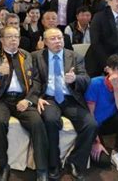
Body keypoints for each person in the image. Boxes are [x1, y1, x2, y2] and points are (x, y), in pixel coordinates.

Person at [0, 26, 48, 181]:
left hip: (22, 99)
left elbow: (37, 82)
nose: (13, 40)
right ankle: (3, 166)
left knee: (37, 123)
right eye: (10, 36)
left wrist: (28, 100)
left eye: (16, 37)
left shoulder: (26, 55)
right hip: (1, 99)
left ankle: (41, 169)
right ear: (2, 40)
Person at [32, 28, 97, 181]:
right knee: (50, 120)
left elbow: (86, 79)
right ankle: (53, 164)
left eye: (60, 38)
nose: (57, 41)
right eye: (53, 39)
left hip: (71, 99)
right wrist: (36, 98)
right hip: (48, 98)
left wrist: (74, 79)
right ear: (45, 42)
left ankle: (75, 161)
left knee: (91, 124)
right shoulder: (36, 57)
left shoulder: (75, 56)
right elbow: (32, 80)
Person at [85, 54, 118, 174]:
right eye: (117, 70)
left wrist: (117, 88)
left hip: (109, 121)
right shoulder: (95, 83)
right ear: (108, 70)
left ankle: (117, 152)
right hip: (93, 124)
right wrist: (95, 141)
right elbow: (90, 114)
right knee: (103, 162)